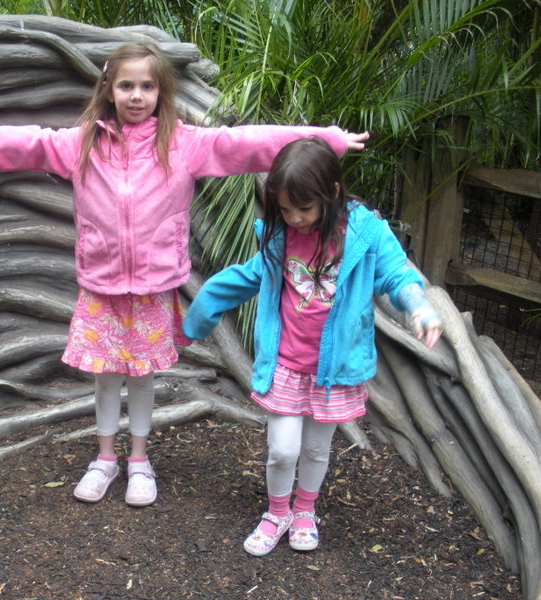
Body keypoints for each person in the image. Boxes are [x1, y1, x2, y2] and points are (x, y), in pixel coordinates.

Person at [0, 42, 369, 508]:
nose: (136, 95)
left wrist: (325, 140)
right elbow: (26, 144)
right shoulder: (82, 143)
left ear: (161, 91)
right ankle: (104, 458)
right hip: (101, 287)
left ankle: (139, 460)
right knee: (106, 377)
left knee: (142, 376)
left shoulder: (184, 144)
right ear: (108, 89)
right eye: (126, 85)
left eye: (147, 86)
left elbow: (247, 143)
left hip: (153, 288)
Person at [182, 137, 442, 555]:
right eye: (285, 209)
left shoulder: (366, 233)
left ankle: (305, 510)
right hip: (287, 365)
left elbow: (397, 274)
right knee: (283, 450)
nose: (294, 218)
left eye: (303, 208)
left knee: (317, 447)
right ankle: (277, 512)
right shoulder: (281, 237)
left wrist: (420, 307)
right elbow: (244, 279)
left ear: (332, 192)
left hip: (334, 371)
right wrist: (198, 317)